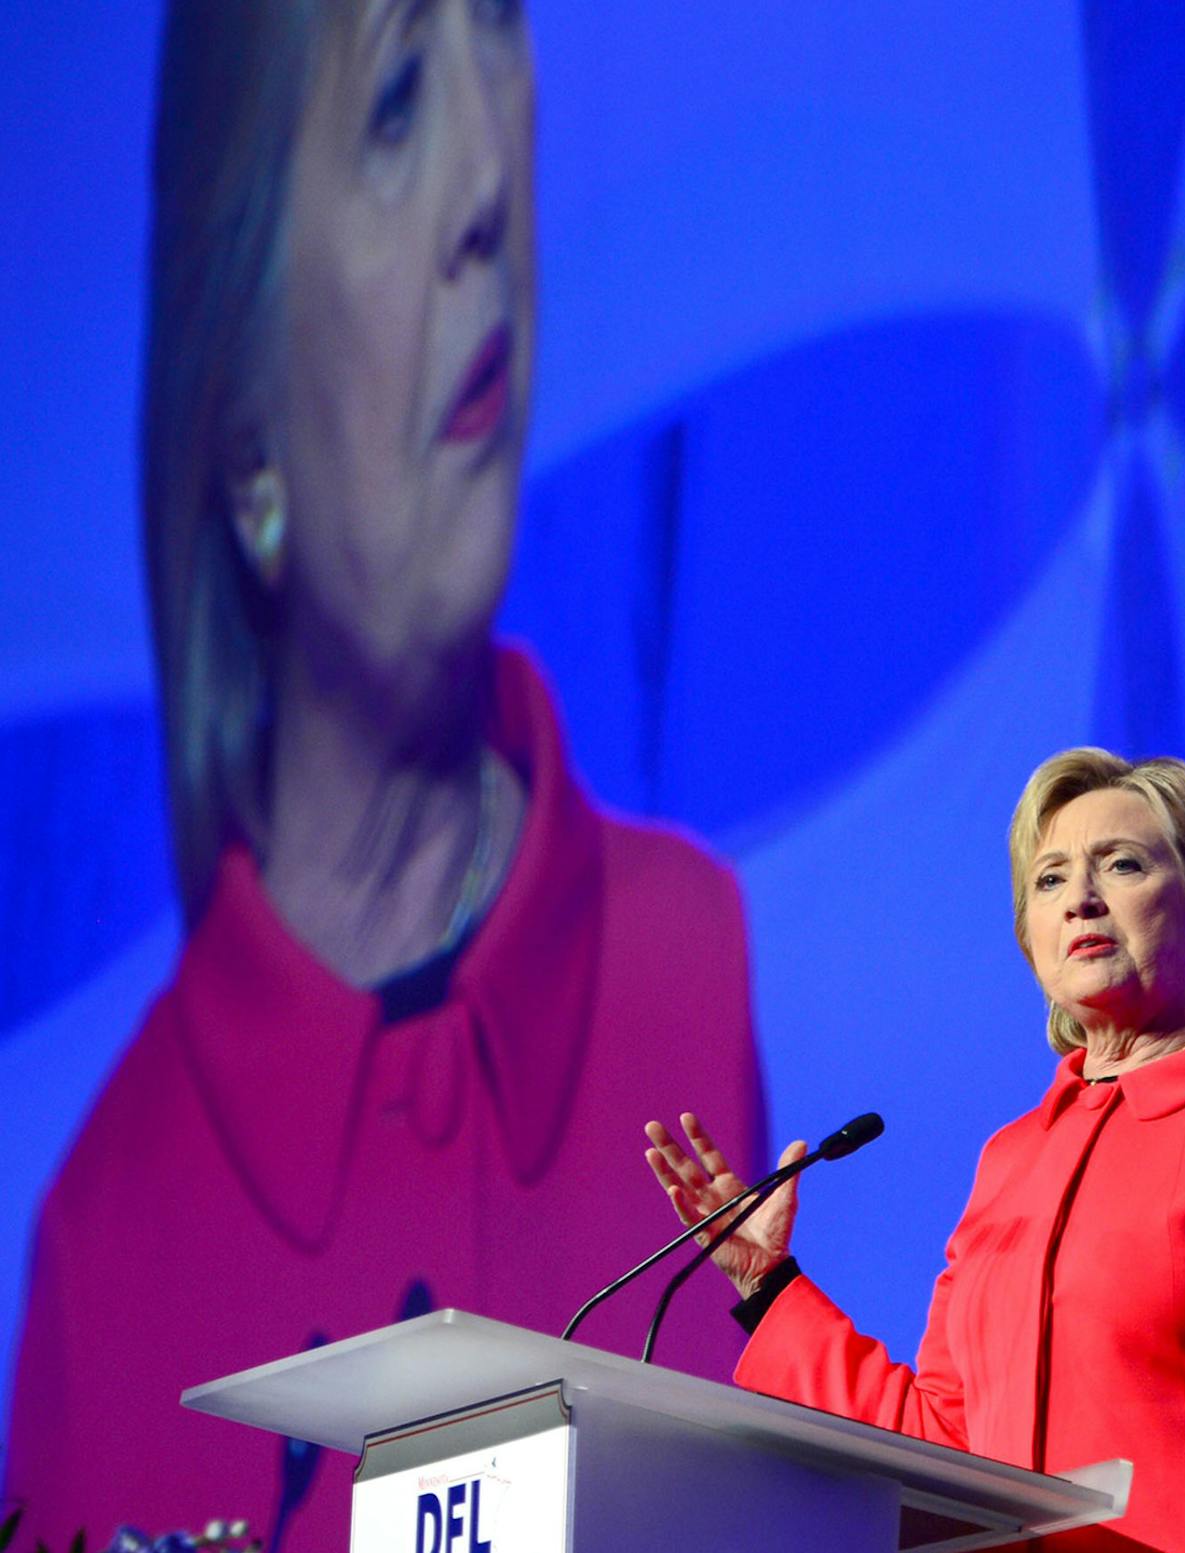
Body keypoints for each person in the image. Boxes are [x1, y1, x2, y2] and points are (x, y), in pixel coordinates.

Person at [2, 3, 765, 1545]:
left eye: (499, 30)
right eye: (399, 99)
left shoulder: (687, 957)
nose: (489, 175)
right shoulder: (109, 1242)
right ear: (243, 451)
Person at [646, 749, 1185, 1553]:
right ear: (1033, 943)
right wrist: (767, 1287)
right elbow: (943, 1437)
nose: (1080, 898)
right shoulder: (1012, 1161)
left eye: (1120, 864)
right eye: (1050, 879)